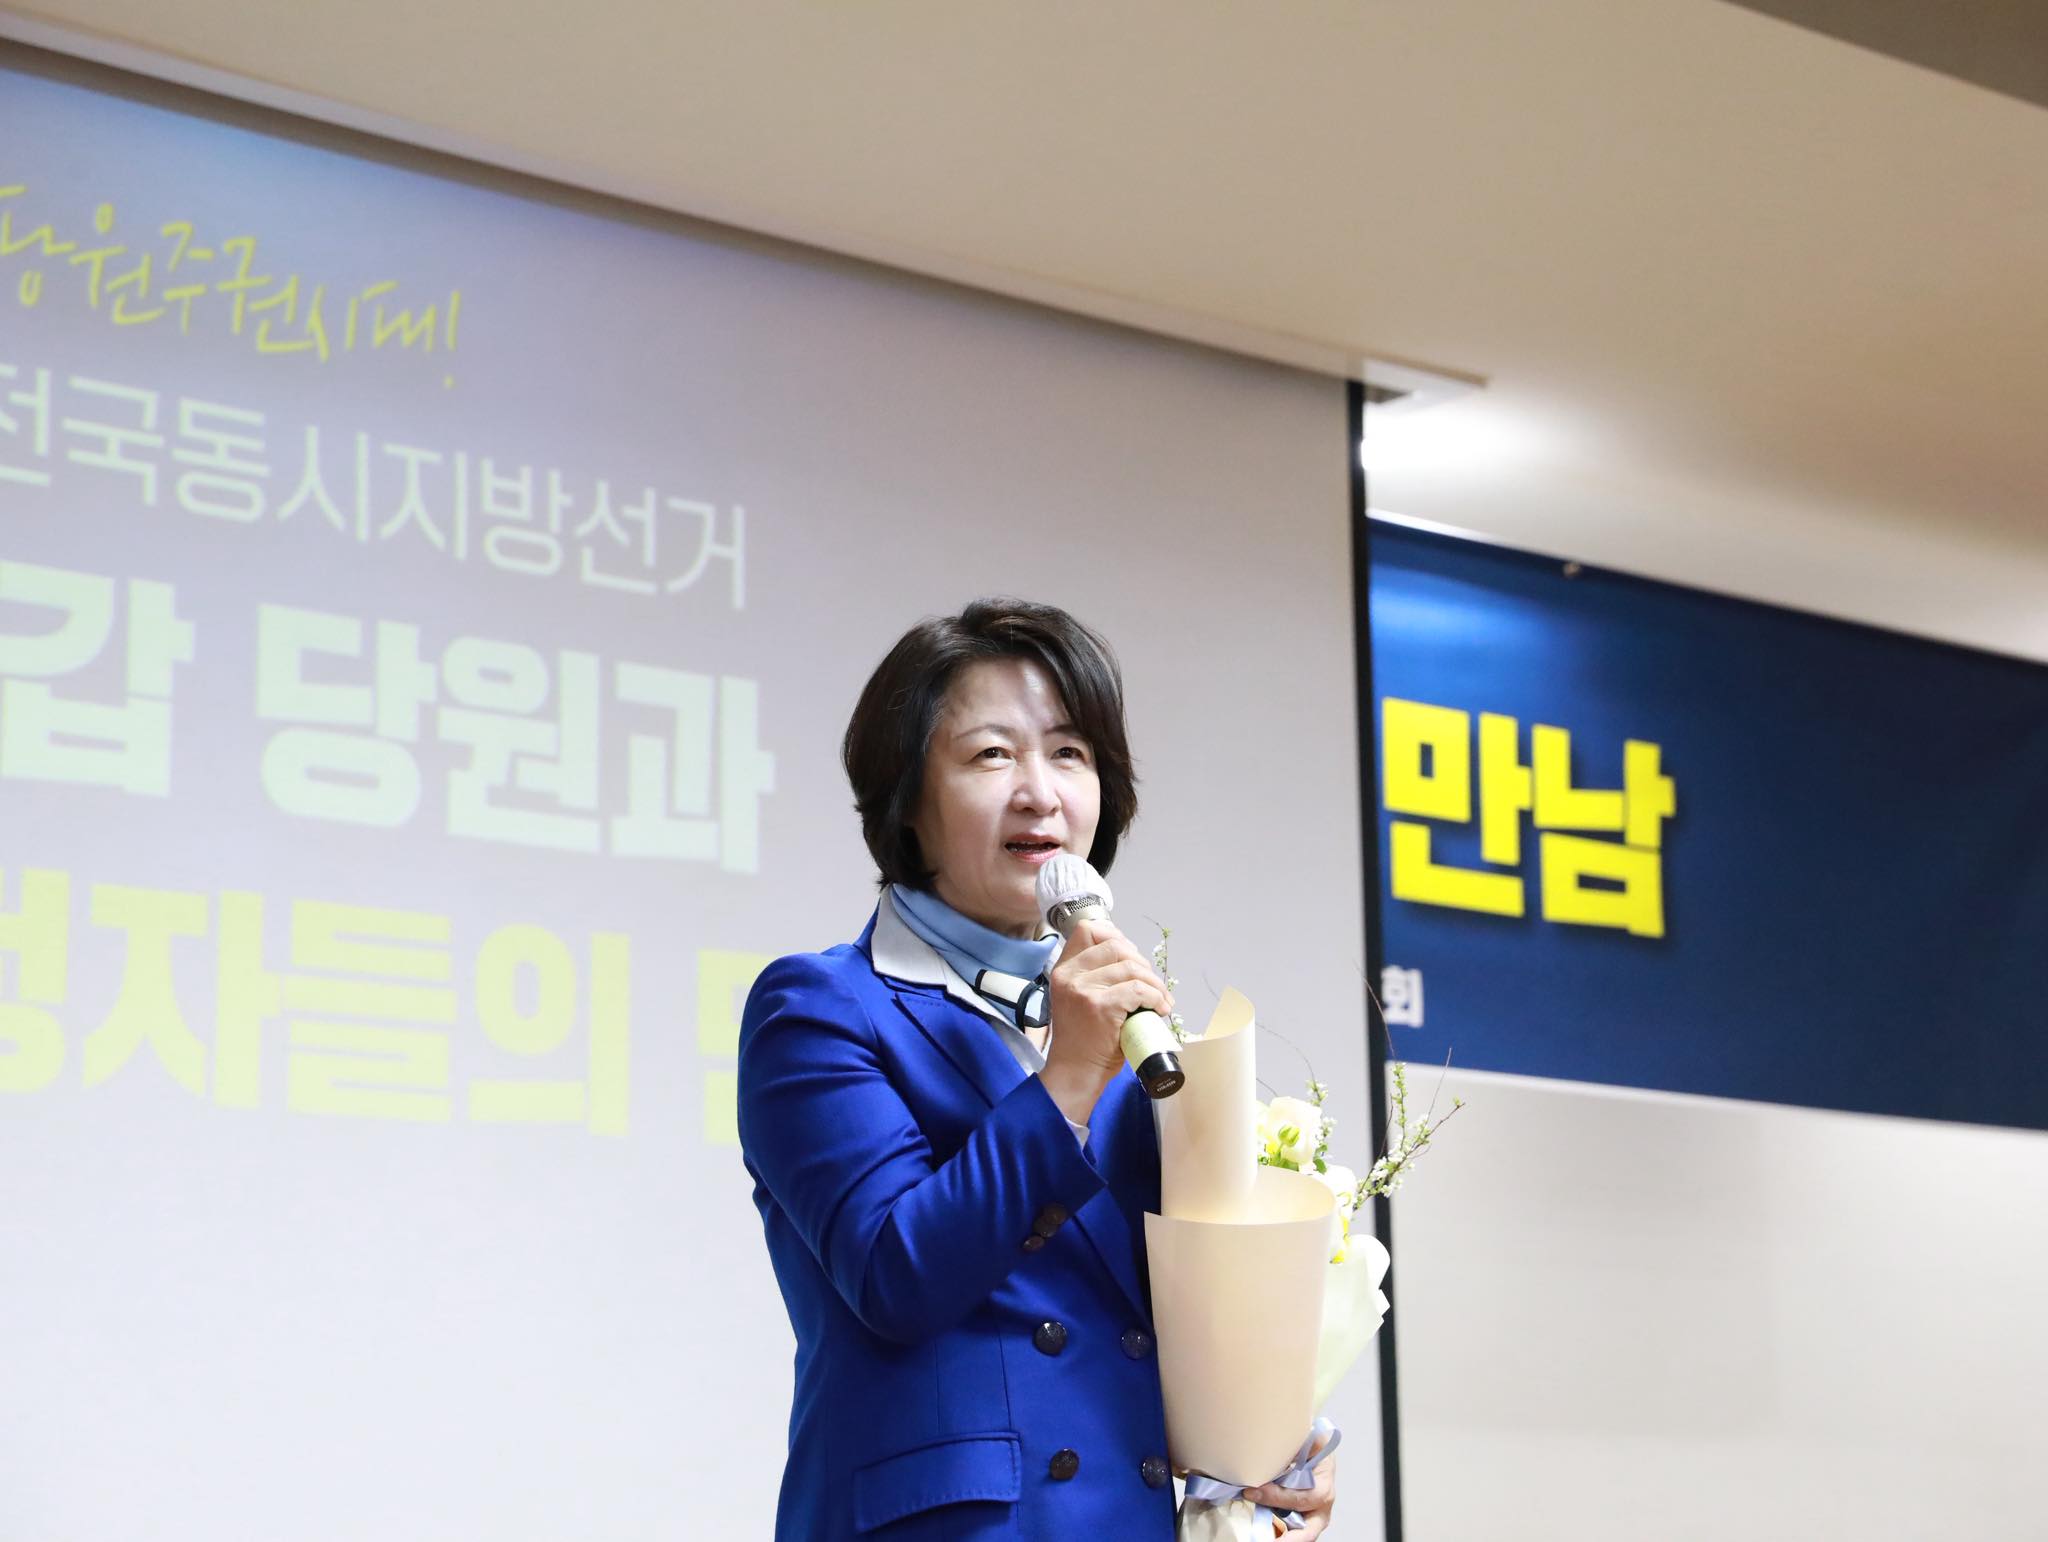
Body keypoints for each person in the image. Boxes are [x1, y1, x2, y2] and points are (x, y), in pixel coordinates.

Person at [738, 598, 1336, 1540]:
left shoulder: (1135, 1038)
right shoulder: (820, 1008)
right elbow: (896, 1274)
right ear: (907, 798)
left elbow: (1146, 1326)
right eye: (991, 754)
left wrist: (1266, 1437)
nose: (1040, 792)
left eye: (1069, 752)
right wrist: (1066, 1079)